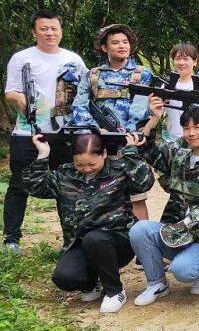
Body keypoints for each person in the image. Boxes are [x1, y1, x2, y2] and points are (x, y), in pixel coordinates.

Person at [24, 132, 153, 312]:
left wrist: (131, 153)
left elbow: (144, 183)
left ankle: (115, 291)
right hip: (80, 242)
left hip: (117, 242)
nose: (86, 168)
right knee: (65, 277)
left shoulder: (119, 170)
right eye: (80, 164)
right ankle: (93, 282)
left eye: (92, 163)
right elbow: (35, 188)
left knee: (95, 239)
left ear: (104, 154)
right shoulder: (65, 174)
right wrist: (43, 154)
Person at [128, 95, 199, 305]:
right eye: (186, 127)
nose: (191, 133)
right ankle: (157, 283)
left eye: (198, 127)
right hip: (177, 231)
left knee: (182, 271)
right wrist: (155, 119)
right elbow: (146, 149)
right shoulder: (179, 154)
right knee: (139, 230)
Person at [4, 10, 86, 252]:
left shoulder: (73, 59)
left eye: (54, 29)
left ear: (61, 31)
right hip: (27, 133)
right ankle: (11, 239)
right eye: (43, 29)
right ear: (34, 32)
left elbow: (84, 93)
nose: (50, 33)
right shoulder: (21, 58)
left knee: (66, 185)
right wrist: (18, 98)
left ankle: (71, 239)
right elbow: (10, 91)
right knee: (19, 185)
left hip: (64, 133)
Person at [72, 23, 153, 221]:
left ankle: (142, 245)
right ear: (104, 47)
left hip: (130, 143)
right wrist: (95, 129)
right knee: (100, 194)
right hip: (100, 144)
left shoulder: (142, 73)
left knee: (136, 197)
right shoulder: (92, 75)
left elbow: (141, 109)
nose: (122, 46)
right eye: (115, 42)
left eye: (125, 42)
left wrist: (124, 133)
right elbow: (80, 106)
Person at [164, 43, 199, 142]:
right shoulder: (167, 85)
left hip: (195, 139)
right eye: (177, 59)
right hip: (170, 138)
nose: (181, 63)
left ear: (195, 61)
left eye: (186, 59)